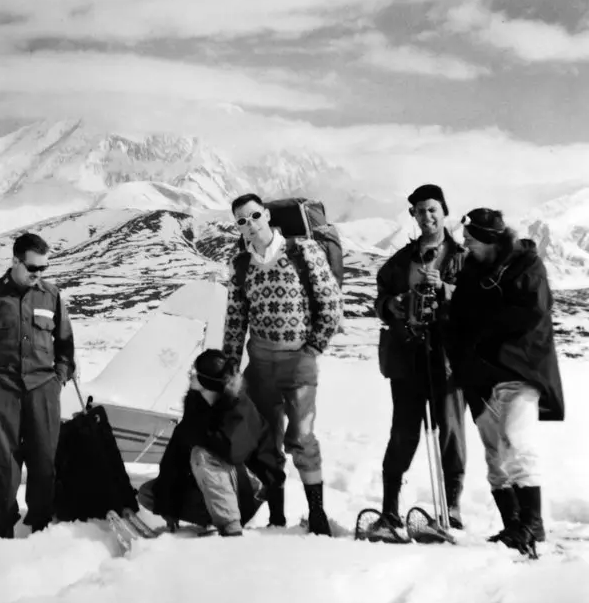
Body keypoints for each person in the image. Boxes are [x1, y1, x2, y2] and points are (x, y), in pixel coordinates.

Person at [221, 193, 343, 536]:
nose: (250, 224)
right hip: (259, 363)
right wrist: (230, 366)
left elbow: (331, 302)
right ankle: (277, 517)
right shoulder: (241, 264)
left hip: (298, 361)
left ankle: (316, 512)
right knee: (264, 439)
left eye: (254, 216)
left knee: (302, 437)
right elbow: (235, 318)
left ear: (267, 214)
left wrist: (313, 347)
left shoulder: (301, 252)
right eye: (241, 221)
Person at [446, 208, 564, 557]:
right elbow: (461, 318)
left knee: (517, 441)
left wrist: (480, 325)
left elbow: (530, 313)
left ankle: (532, 523)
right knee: (495, 453)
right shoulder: (472, 271)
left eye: (470, 238)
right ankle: (514, 525)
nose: (464, 243)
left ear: (489, 239)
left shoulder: (527, 266)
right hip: (480, 374)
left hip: (519, 367)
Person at [0, 232, 76, 539]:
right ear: (15, 261)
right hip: (3, 390)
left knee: (44, 461)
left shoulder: (51, 296)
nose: (39, 275)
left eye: (44, 269)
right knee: (6, 463)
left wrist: (58, 379)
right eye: (33, 268)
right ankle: (5, 524)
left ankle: (39, 524)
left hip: (43, 389)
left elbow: (65, 344)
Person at [368, 184, 468, 542]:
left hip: (446, 361)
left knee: (451, 432)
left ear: (444, 211)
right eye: (419, 211)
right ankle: (390, 509)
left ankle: (452, 509)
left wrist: (445, 288)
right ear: (412, 215)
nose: (426, 217)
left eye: (432, 210)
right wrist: (390, 305)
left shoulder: (462, 257)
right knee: (403, 434)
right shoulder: (400, 261)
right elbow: (379, 296)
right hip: (407, 358)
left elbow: (476, 303)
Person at [136, 349, 285, 536]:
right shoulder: (196, 406)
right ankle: (213, 519)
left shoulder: (240, 409)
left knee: (202, 455)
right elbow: (175, 455)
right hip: (219, 483)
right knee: (150, 493)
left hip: (248, 490)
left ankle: (231, 528)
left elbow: (232, 452)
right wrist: (169, 507)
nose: (190, 376)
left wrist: (199, 431)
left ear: (209, 383)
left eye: (195, 373)